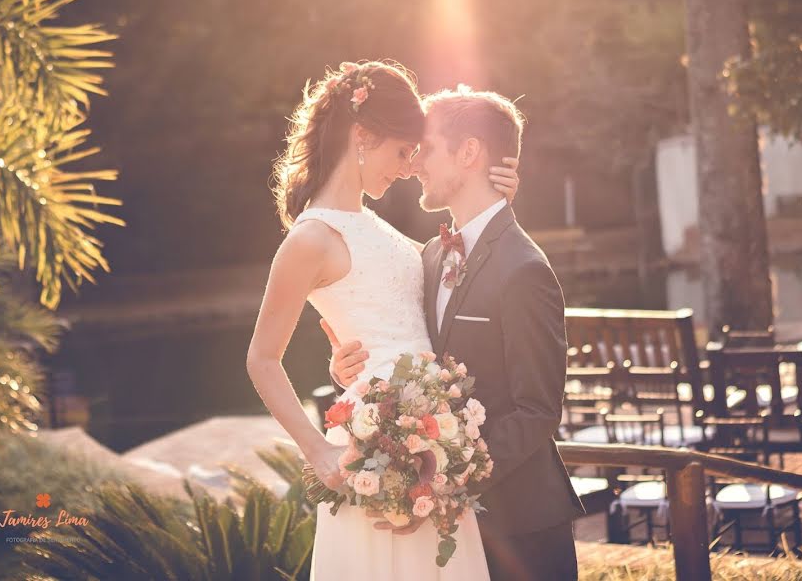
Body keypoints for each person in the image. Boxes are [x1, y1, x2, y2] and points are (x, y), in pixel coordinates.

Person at [245, 60, 520, 581]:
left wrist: (496, 206)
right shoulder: (309, 240)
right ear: (362, 136)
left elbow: (450, 287)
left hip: (433, 441)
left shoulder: (378, 227)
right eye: (401, 153)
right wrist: (319, 450)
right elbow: (261, 359)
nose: (406, 168)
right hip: (377, 448)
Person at [326, 85, 585, 580]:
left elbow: (538, 410)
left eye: (426, 148)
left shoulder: (524, 269)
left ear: (468, 152)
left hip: (521, 526)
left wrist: (449, 474)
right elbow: (407, 348)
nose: (414, 163)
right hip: (447, 530)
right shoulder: (430, 255)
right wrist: (347, 371)